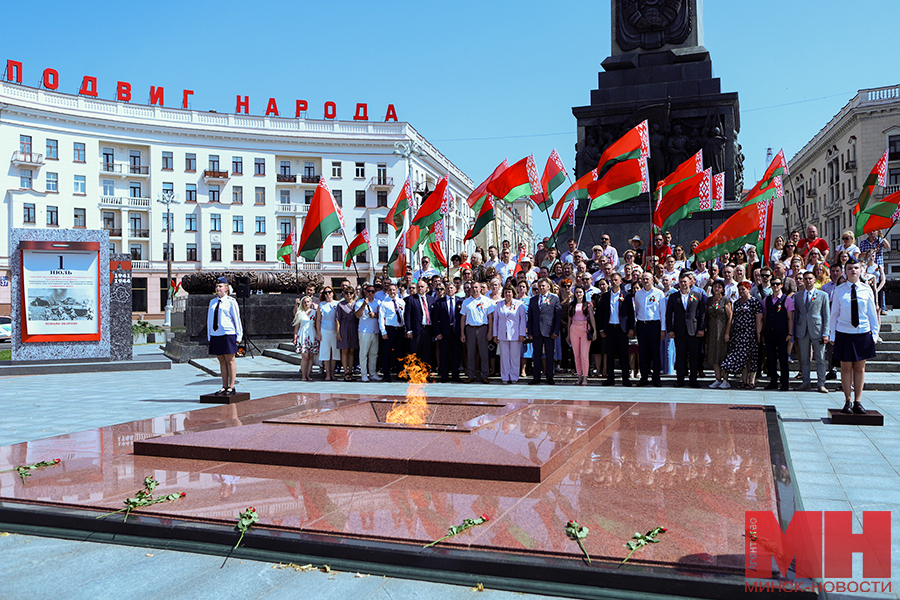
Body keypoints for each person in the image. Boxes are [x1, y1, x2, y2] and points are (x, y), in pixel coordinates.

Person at [829, 260, 879, 414]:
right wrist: (832, 334)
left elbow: (872, 313)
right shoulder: (839, 290)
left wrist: (875, 334)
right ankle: (847, 401)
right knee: (845, 368)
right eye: (850, 268)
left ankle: (858, 401)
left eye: (856, 268)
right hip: (844, 333)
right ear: (845, 271)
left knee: (859, 368)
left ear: (861, 270)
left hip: (862, 333)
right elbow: (834, 314)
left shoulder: (866, 289)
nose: (853, 271)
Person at [666, 272, 707, 388]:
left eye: (685, 282)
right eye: (681, 282)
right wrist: (670, 329)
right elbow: (669, 315)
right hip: (679, 331)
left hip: (693, 330)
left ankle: (693, 379)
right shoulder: (674, 297)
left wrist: (701, 329)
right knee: (680, 356)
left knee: (694, 356)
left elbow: (702, 314)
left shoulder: (697, 295)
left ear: (690, 282)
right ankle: (680, 380)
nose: (683, 284)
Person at [721, 282, 763, 389]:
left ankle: (751, 381)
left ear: (749, 289)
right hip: (738, 334)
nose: (741, 292)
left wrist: (758, 333)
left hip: (750, 333)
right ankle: (743, 380)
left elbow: (759, 319)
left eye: (743, 289)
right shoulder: (737, 303)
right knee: (741, 358)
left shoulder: (754, 302)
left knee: (751, 357)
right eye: (739, 290)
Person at [794, 271, 830, 393]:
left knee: (820, 358)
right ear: (803, 281)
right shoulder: (798, 296)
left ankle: (821, 383)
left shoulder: (823, 295)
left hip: (818, 330)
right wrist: (794, 332)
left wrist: (826, 333)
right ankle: (806, 382)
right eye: (806, 279)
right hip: (802, 330)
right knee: (804, 358)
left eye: (810, 278)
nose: (808, 281)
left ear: (815, 280)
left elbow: (826, 315)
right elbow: (796, 315)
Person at [598, 273, 635, 387]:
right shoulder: (605, 296)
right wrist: (601, 329)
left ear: (620, 281)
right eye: (612, 280)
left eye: (616, 280)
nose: (614, 282)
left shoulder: (626, 296)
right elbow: (601, 314)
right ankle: (610, 378)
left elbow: (630, 313)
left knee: (624, 355)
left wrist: (631, 328)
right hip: (609, 328)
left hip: (621, 328)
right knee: (610, 355)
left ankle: (625, 379)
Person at [207, 277, 242, 395]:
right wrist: (209, 335)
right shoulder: (212, 302)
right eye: (217, 286)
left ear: (226, 288)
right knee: (221, 360)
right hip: (216, 333)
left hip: (228, 333)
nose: (218, 288)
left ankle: (232, 386)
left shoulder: (231, 302)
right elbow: (209, 320)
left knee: (230, 360)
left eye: (220, 286)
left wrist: (239, 335)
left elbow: (236, 319)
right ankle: (224, 385)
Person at [633, 271, 666, 387]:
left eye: (647, 279)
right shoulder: (638, 294)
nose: (645, 281)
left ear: (652, 280)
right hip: (642, 325)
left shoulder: (659, 293)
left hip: (654, 324)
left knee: (655, 352)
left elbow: (663, 312)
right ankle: (644, 377)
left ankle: (656, 378)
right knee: (643, 352)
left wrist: (663, 329)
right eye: (643, 279)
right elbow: (636, 310)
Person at [527, 277, 561, 385]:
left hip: (549, 331)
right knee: (536, 355)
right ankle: (536, 376)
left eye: (543, 286)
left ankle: (549, 376)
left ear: (548, 286)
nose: (541, 288)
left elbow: (557, 317)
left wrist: (555, 331)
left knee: (549, 355)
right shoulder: (533, 299)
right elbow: (530, 317)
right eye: (540, 286)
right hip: (537, 331)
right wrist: (530, 332)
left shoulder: (554, 299)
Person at [762, 277, 794, 391]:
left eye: (777, 284)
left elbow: (790, 318)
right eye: (773, 284)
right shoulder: (767, 300)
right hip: (770, 332)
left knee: (783, 358)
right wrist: (763, 332)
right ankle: (773, 381)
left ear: (781, 285)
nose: (775, 286)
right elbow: (765, 317)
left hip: (782, 332)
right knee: (770, 358)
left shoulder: (787, 299)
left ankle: (785, 382)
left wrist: (790, 333)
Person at [493, 284, 527, 384]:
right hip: (502, 334)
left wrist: (522, 334)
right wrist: (495, 334)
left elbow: (523, 320)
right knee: (504, 356)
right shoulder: (499, 304)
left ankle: (514, 377)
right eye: (506, 292)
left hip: (515, 334)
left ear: (513, 293)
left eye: (509, 292)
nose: (507, 294)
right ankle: (504, 377)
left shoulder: (519, 304)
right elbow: (496, 320)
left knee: (515, 356)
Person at [461, 282, 493, 383]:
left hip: (483, 328)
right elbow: (463, 318)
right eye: (472, 288)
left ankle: (485, 375)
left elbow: (490, 317)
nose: (474, 289)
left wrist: (490, 332)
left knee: (484, 353)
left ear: (480, 288)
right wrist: (462, 333)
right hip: (470, 328)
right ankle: (470, 374)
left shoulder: (487, 300)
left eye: (476, 287)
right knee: (470, 352)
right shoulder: (466, 302)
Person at [565, 285, 597, 386]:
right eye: (577, 292)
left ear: (584, 293)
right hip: (574, 328)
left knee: (584, 355)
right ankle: (579, 376)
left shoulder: (587, 305)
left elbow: (592, 318)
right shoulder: (571, 305)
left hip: (584, 329)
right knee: (577, 355)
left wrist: (594, 330)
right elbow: (569, 320)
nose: (579, 294)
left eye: (580, 292)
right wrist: (568, 335)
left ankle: (585, 377)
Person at [704, 280, 732, 389]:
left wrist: (727, 333)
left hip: (722, 329)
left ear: (722, 289)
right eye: (715, 287)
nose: (716, 289)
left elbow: (730, 317)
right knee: (713, 355)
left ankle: (725, 379)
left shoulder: (725, 300)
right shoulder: (710, 300)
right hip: (712, 330)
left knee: (722, 355)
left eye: (719, 287)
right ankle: (718, 378)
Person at [433, 282, 463, 382]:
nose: (450, 290)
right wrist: (437, 333)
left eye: (452, 288)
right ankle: (444, 375)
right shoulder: (439, 302)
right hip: (444, 332)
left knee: (456, 353)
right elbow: (435, 319)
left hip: (456, 331)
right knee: (444, 353)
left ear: (455, 289)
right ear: (445, 290)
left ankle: (455, 375)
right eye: (448, 288)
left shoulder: (460, 302)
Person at [404, 279, 436, 370]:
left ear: (426, 288)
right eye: (418, 287)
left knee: (427, 352)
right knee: (415, 351)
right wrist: (409, 330)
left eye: (422, 287)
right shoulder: (411, 299)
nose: (420, 288)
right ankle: (415, 373)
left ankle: (425, 372)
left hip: (428, 329)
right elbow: (407, 315)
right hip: (416, 329)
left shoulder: (431, 299)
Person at [378, 282, 406, 382]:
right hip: (389, 329)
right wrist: (383, 331)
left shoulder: (401, 302)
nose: (392, 292)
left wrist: (406, 329)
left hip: (400, 329)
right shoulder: (384, 303)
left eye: (394, 290)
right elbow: (381, 318)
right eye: (390, 290)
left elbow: (404, 316)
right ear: (387, 291)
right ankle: (386, 374)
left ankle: (400, 373)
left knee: (400, 352)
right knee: (387, 352)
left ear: (397, 290)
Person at [354, 285, 380, 382]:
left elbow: (381, 315)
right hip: (364, 331)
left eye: (372, 291)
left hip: (375, 331)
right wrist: (364, 305)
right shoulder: (359, 302)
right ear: (365, 292)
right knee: (363, 354)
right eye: (368, 291)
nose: (370, 293)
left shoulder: (378, 302)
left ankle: (372, 373)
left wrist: (375, 315)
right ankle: (364, 374)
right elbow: (357, 315)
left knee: (374, 354)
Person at [315, 287, 340, 381]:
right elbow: (318, 320)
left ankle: (333, 373)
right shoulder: (321, 304)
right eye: (325, 293)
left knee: (334, 353)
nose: (328, 294)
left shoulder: (337, 304)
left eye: (329, 292)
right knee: (326, 353)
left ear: (333, 293)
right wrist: (318, 332)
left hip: (334, 330)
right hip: (324, 330)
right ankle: (328, 374)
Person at [336, 286, 359, 381]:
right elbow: (337, 319)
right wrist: (338, 332)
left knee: (352, 350)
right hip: (344, 327)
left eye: (350, 292)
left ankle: (351, 370)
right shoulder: (340, 304)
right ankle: (345, 372)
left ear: (353, 294)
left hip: (353, 327)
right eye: (346, 293)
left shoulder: (356, 304)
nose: (348, 295)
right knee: (344, 350)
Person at [293, 295, 318, 382]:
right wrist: (295, 336)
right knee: (305, 356)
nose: (306, 304)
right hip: (303, 335)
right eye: (304, 302)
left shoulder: (314, 312)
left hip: (312, 334)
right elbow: (297, 326)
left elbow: (317, 324)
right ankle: (303, 375)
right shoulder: (300, 313)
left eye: (308, 302)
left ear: (311, 302)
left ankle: (308, 374)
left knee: (311, 356)